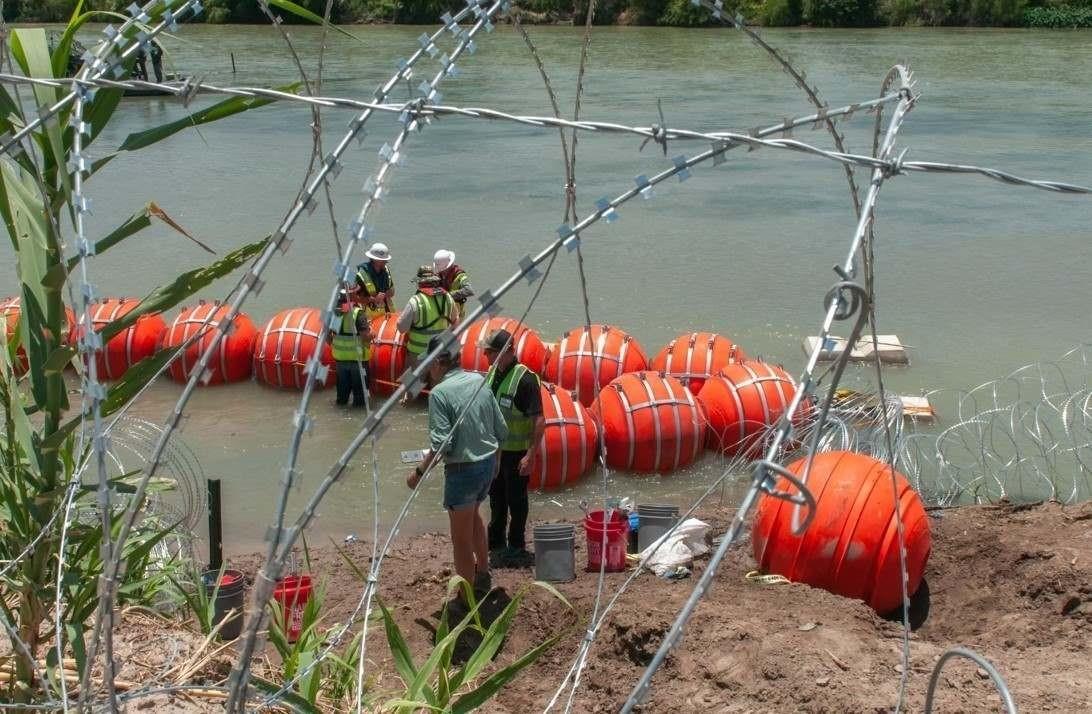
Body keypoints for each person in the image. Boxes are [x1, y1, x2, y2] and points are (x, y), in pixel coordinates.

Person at [407, 336, 507, 599]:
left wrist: (417, 474)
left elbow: (443, 445)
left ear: (439, 362)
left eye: (429, 364)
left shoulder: (439, 394)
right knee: (474, 515)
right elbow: (501, 429)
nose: (428, 370)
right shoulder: (479, 381)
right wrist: (495, 462)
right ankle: (483, 572)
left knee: (460, 539)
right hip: (487, 465)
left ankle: (466, 595)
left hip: (463, 471)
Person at [482, 329, 545, 568]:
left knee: (516, 501)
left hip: (517, 453)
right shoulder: (491, 374)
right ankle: (495, 542)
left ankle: (516, 545)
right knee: (496, 499)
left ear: (507, 352)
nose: (487, 356)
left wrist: (531, 455)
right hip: (494, 452)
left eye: (491, 352)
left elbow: (539, 420)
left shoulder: (525, 380)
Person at [397, 266, 459, 369]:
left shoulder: (416, 301)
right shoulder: (447, 297)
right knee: (437, 383)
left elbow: (401, 328)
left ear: (420, 283)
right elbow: (456, 322)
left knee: (414, 384)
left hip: (418, 356)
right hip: (441, 354)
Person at [327, 289, 371, 408]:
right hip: (358, 363)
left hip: (341, 363)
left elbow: (327, 338)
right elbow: (365, 337)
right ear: (352, 297)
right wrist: (373, 334)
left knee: (342, 398)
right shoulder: (358, 313)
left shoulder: (334, 315)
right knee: (360, 400)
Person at [355, 242, 395, 320]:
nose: (386, 262)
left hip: (388, 314)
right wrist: (373, 299)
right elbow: (356, 298)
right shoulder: (361, 275)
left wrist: (385, 294)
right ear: (374, 260)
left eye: (386, 260)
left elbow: (392, 292)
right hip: (370, 317)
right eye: (383, 260)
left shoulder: (386, 271)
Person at [433, 249, 474, 321]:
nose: (442, 272)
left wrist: (448, 295)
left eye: (444, 270)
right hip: (443, 313)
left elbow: (469, 290)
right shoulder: (439, 275)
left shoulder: (460, 276)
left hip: (457, 315)